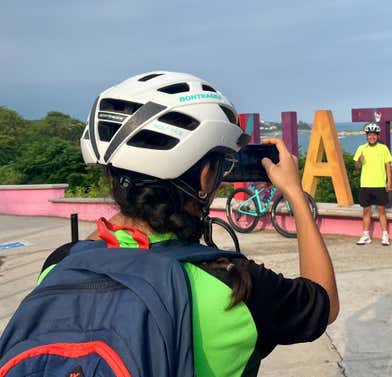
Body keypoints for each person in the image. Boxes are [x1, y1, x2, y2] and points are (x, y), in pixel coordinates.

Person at [1, 72, 339, 377]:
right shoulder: (234, 284)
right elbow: (324, 303)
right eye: (220, 166)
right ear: (206, 177)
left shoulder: (60, 264)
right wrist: (294, 193)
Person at [353, 122, 392, 246]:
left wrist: (389, 181)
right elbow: (357, 166)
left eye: (374, 135)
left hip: (380, 184)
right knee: (366, 211)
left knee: (381, 210)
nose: (372, 137)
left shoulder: (383, 148)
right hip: (365, 184)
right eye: (369, 134)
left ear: (378, 136)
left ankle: (385, 235)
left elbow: (388, 165)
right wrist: (359, 161)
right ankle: (366, 235)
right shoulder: (361, 148)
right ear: (366, 136)